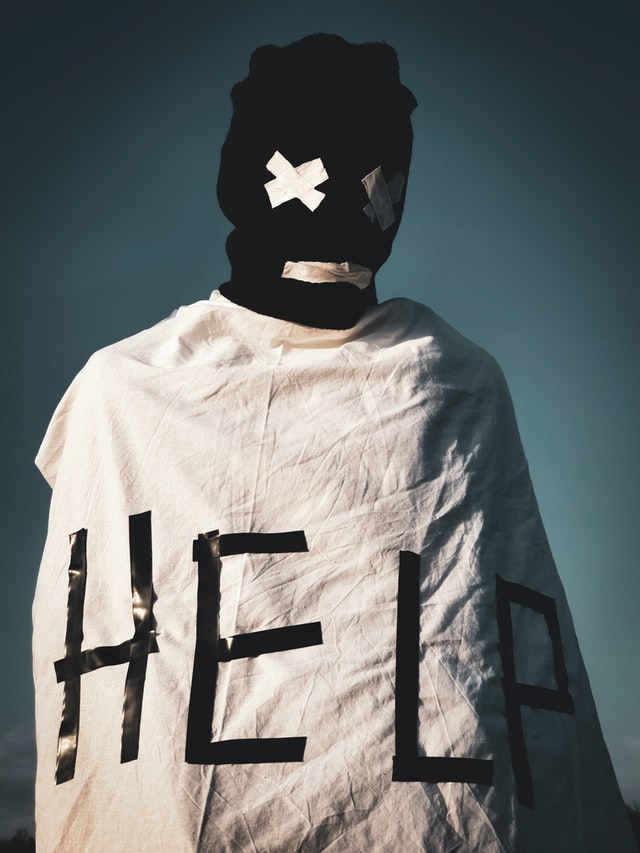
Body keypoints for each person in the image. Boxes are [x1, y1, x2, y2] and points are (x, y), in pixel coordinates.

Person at [32, 34, 635, 851]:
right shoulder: (128, 392)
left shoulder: (453, 384)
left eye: (372, 178)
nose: (344, 222)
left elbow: (494, 653)